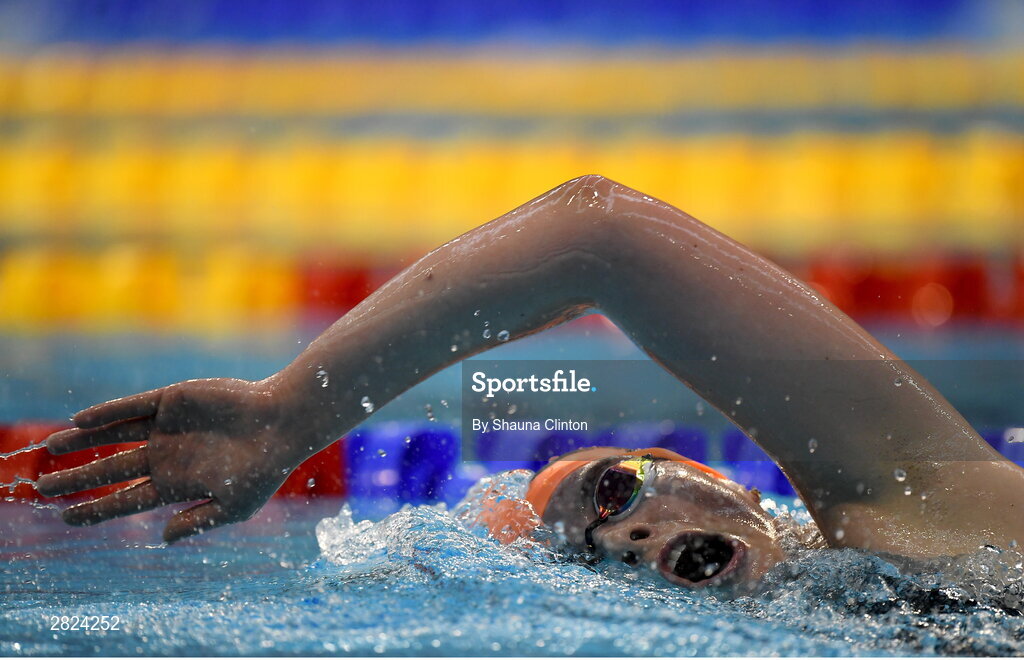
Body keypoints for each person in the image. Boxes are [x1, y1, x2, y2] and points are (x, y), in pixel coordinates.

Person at [36, 175, 1024, 589]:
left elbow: (597, 234)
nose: (626, 539)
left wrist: (288, 411)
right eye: (595, 558)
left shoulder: (909, 502)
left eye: (612, 491)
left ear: (717, 479)